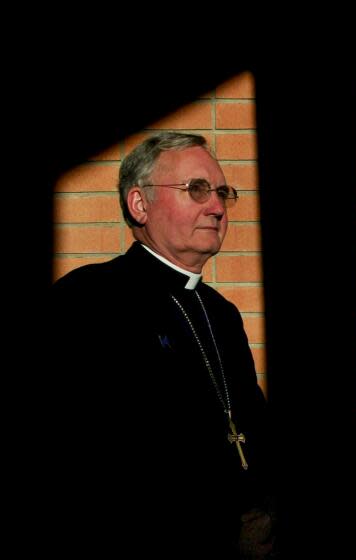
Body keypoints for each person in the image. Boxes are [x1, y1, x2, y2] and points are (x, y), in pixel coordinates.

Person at [49, 132, 275, 558]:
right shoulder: (87, 299)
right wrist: (222, 531)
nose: (217, 207)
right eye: (197, 190)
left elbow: (251, 428)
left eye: (223, 193)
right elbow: (87, 460)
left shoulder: (221, 313)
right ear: (139, 205)